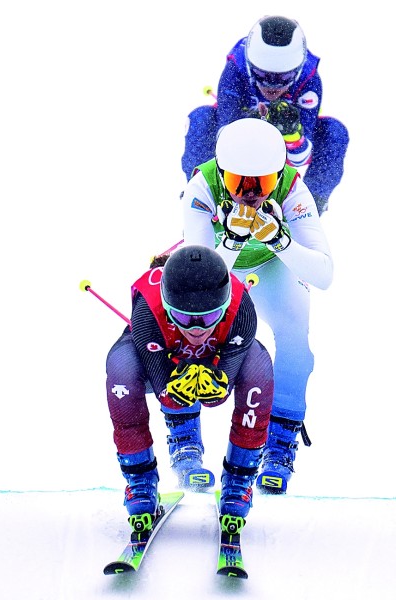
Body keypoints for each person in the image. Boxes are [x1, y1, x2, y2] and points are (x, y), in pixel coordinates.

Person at [181, 117, 333, 494]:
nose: (249, 194)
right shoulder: (201, 188)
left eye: (262, 184)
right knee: (189, 328)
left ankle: (280, 446)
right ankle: (184, 440)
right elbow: (197, 283)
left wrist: (281, 242)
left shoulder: (293, 191)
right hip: (219, 270)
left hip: (269, 268)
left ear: (279, 175)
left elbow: (324, 274)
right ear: (221, 173)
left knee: (297, 338)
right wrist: (232, 241)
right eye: (237, 183)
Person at [105, 244, 274, 526]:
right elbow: (168, 397)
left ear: (225, 306)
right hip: (161, 355)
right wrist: (174, 390)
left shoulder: (242, 310)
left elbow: (214, 399)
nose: (196, 330)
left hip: (213, 357)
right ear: (166, 306)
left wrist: (216, 383)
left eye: (209, 318)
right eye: (183, 318)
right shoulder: (147, 310)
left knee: (258, 367)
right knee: (121, 368)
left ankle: (239, 481)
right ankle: (140, 480)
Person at [181, 15, 349, 216]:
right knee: (201, 118)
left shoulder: (309, 80)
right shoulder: (236, 67)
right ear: (251, 66)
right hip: (240, 149)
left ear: (296, 71)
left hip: (280, 154)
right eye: (261, 75)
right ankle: (203, 199)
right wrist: (248, 126)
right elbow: (221, 144)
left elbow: (301, 159)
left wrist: (291, 134)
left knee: (335, 132)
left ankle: (306, 210)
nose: (271, 86)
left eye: (284, 78)